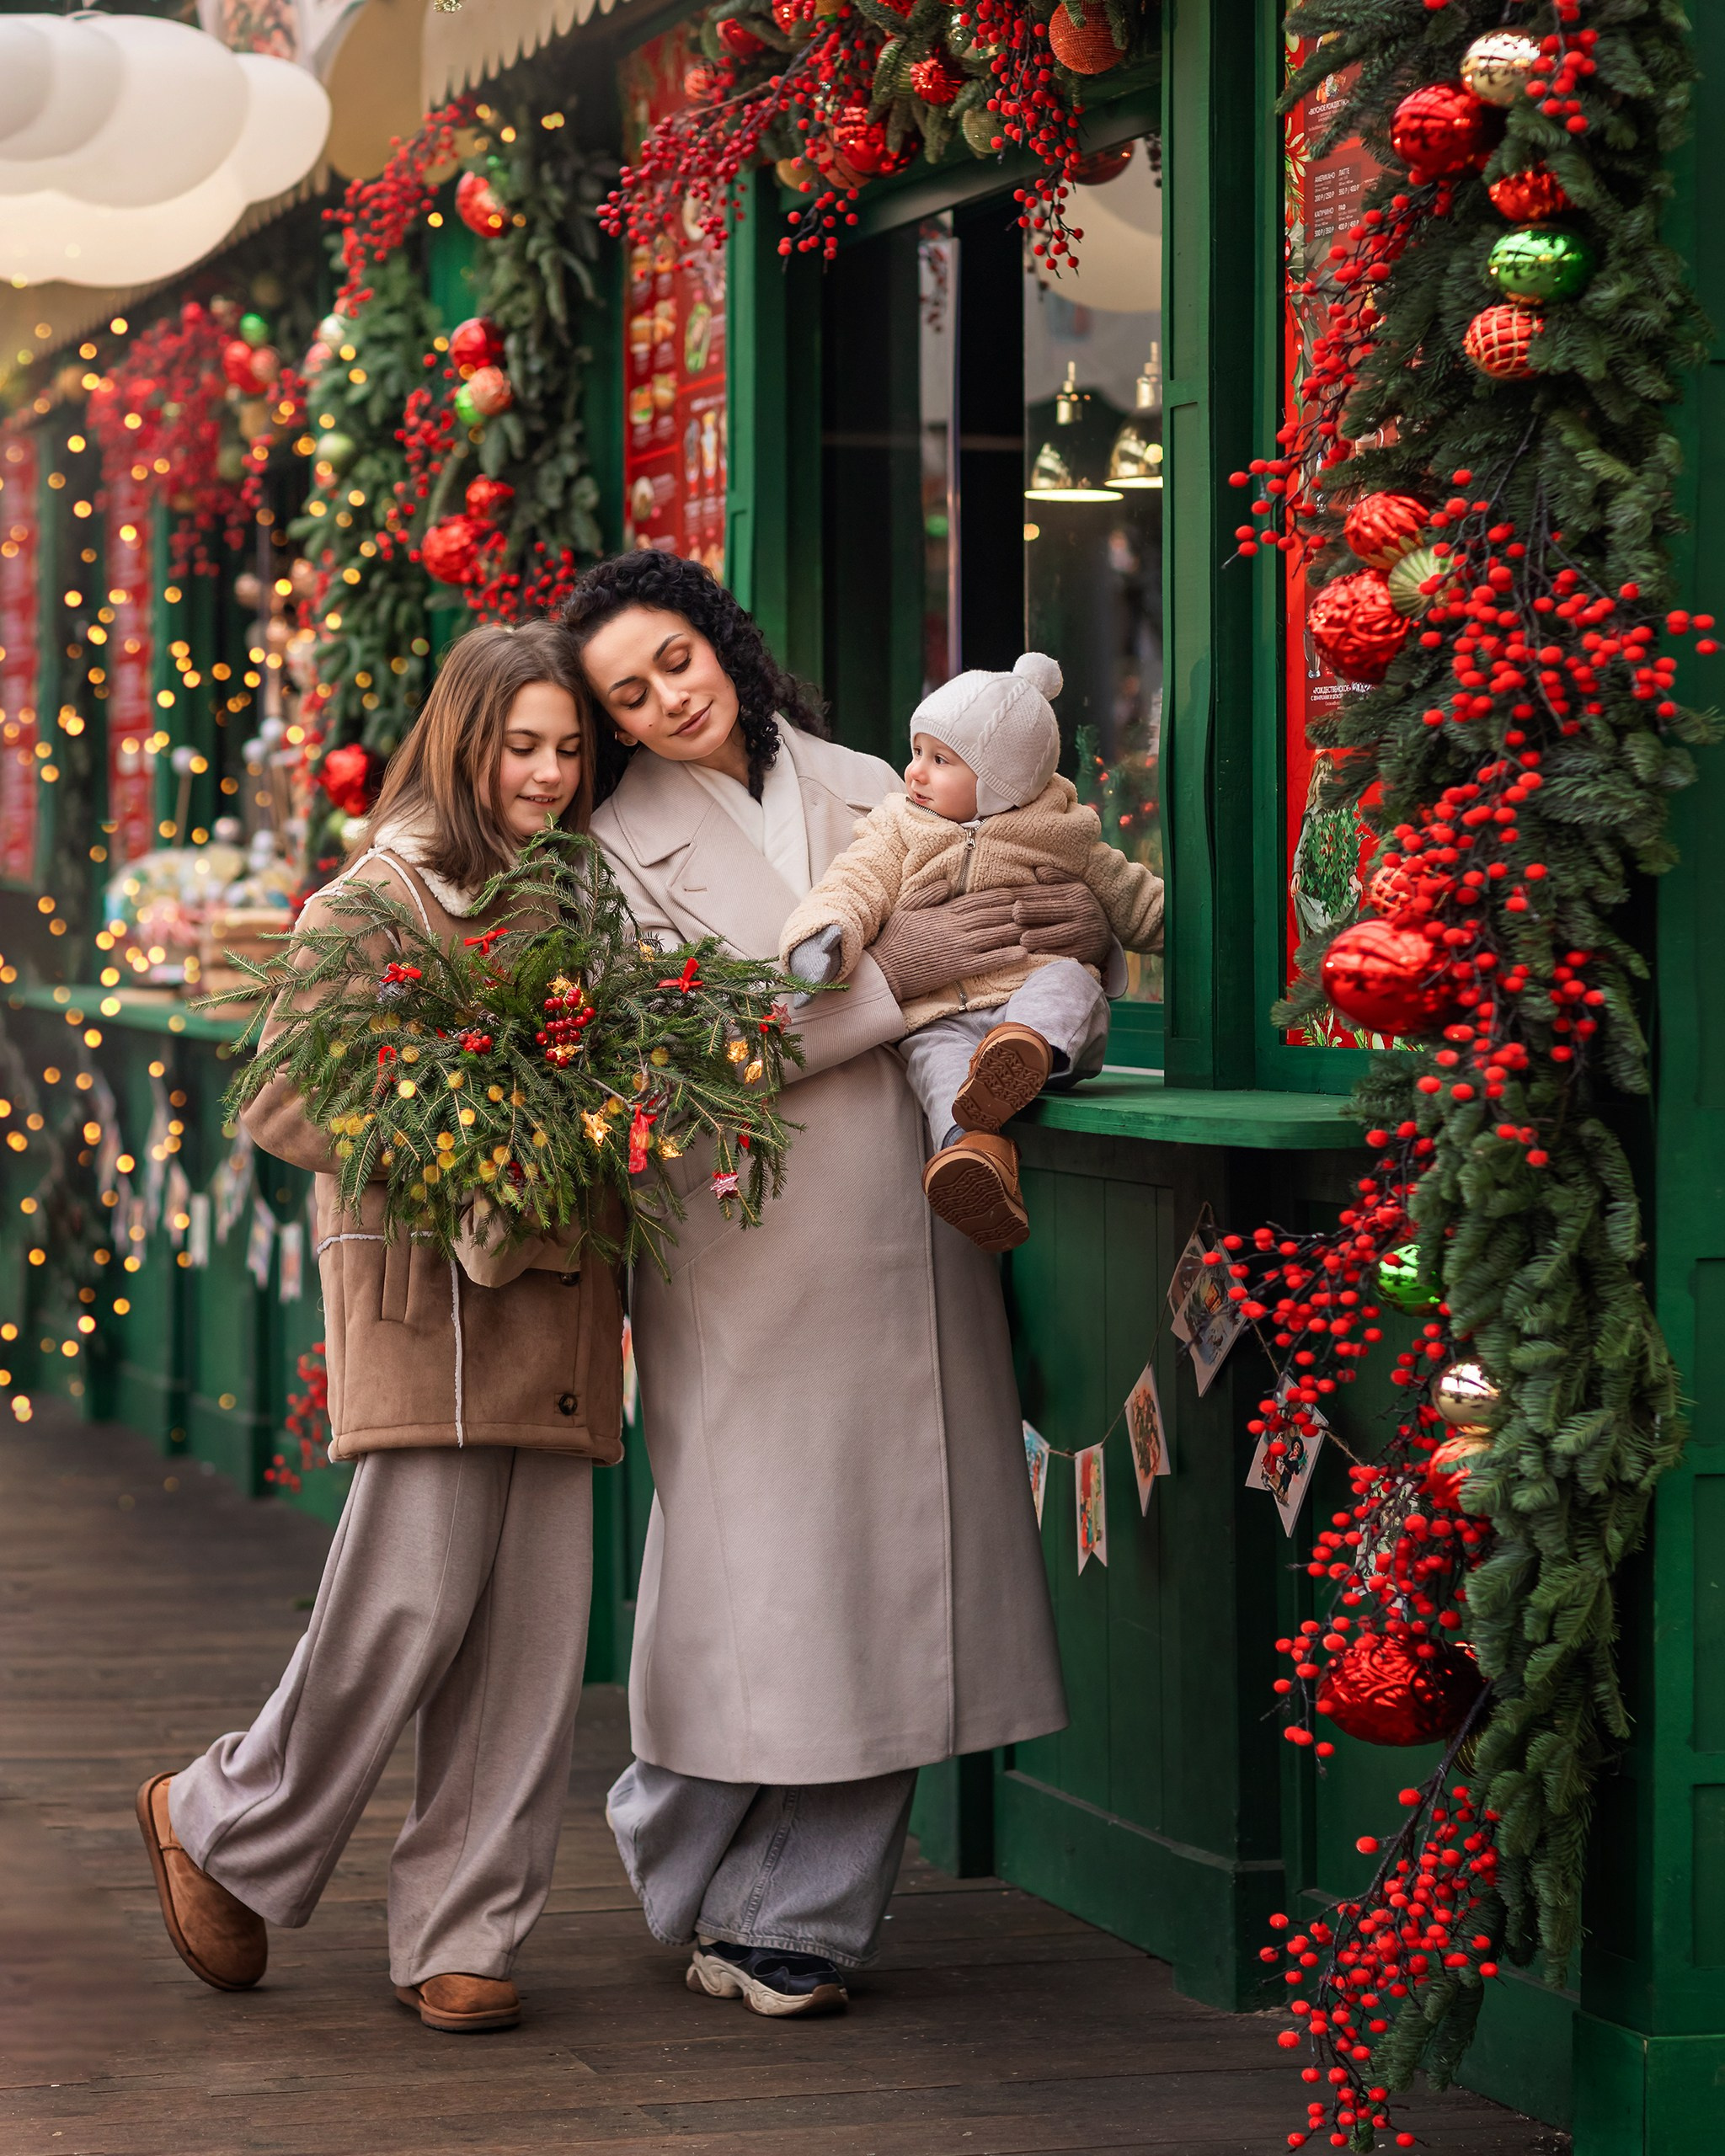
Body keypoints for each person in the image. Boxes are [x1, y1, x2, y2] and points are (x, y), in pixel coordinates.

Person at [563, 552, 1103, 2019]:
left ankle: (799, 1925)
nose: (666, 697)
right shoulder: (609, 854)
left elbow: (1031, 906)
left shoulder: (882, 774)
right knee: (751, 1588)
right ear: (609, 723)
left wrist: (1046, 969)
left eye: (674, 657)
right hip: (747, 1246)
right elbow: (664, 1066)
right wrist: (887, 979)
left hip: (925, 1212)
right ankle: (676, 1847)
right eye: (628, 692)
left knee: (896, 1580)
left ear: (717, 639)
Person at [135, 622, 623, 2036]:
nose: (543, 772)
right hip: (433, 1300)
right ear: (463, 745)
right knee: (406, 1597)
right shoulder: (376, 897)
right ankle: (222, 1818)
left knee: (531, 1632)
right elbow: (287, 1095)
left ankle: (466, 1925)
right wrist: (458, 1143)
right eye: (518, 746)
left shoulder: (584, 901)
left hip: (566, 1294)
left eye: (566, 750)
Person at [779, 650, 1164, 1251]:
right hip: (945, 1015)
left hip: (1039, 1003)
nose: (915, 774)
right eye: (916, 753)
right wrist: (825, 935)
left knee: (1069, 985)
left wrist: (1181, 928)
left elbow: (1131, 894)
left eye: (940, 760)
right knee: (935, 1064)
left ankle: (1026, 1051)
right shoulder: (900, 826)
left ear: (1003, 780)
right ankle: (976, 1155)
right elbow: (854, 883)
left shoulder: (1062, 830)